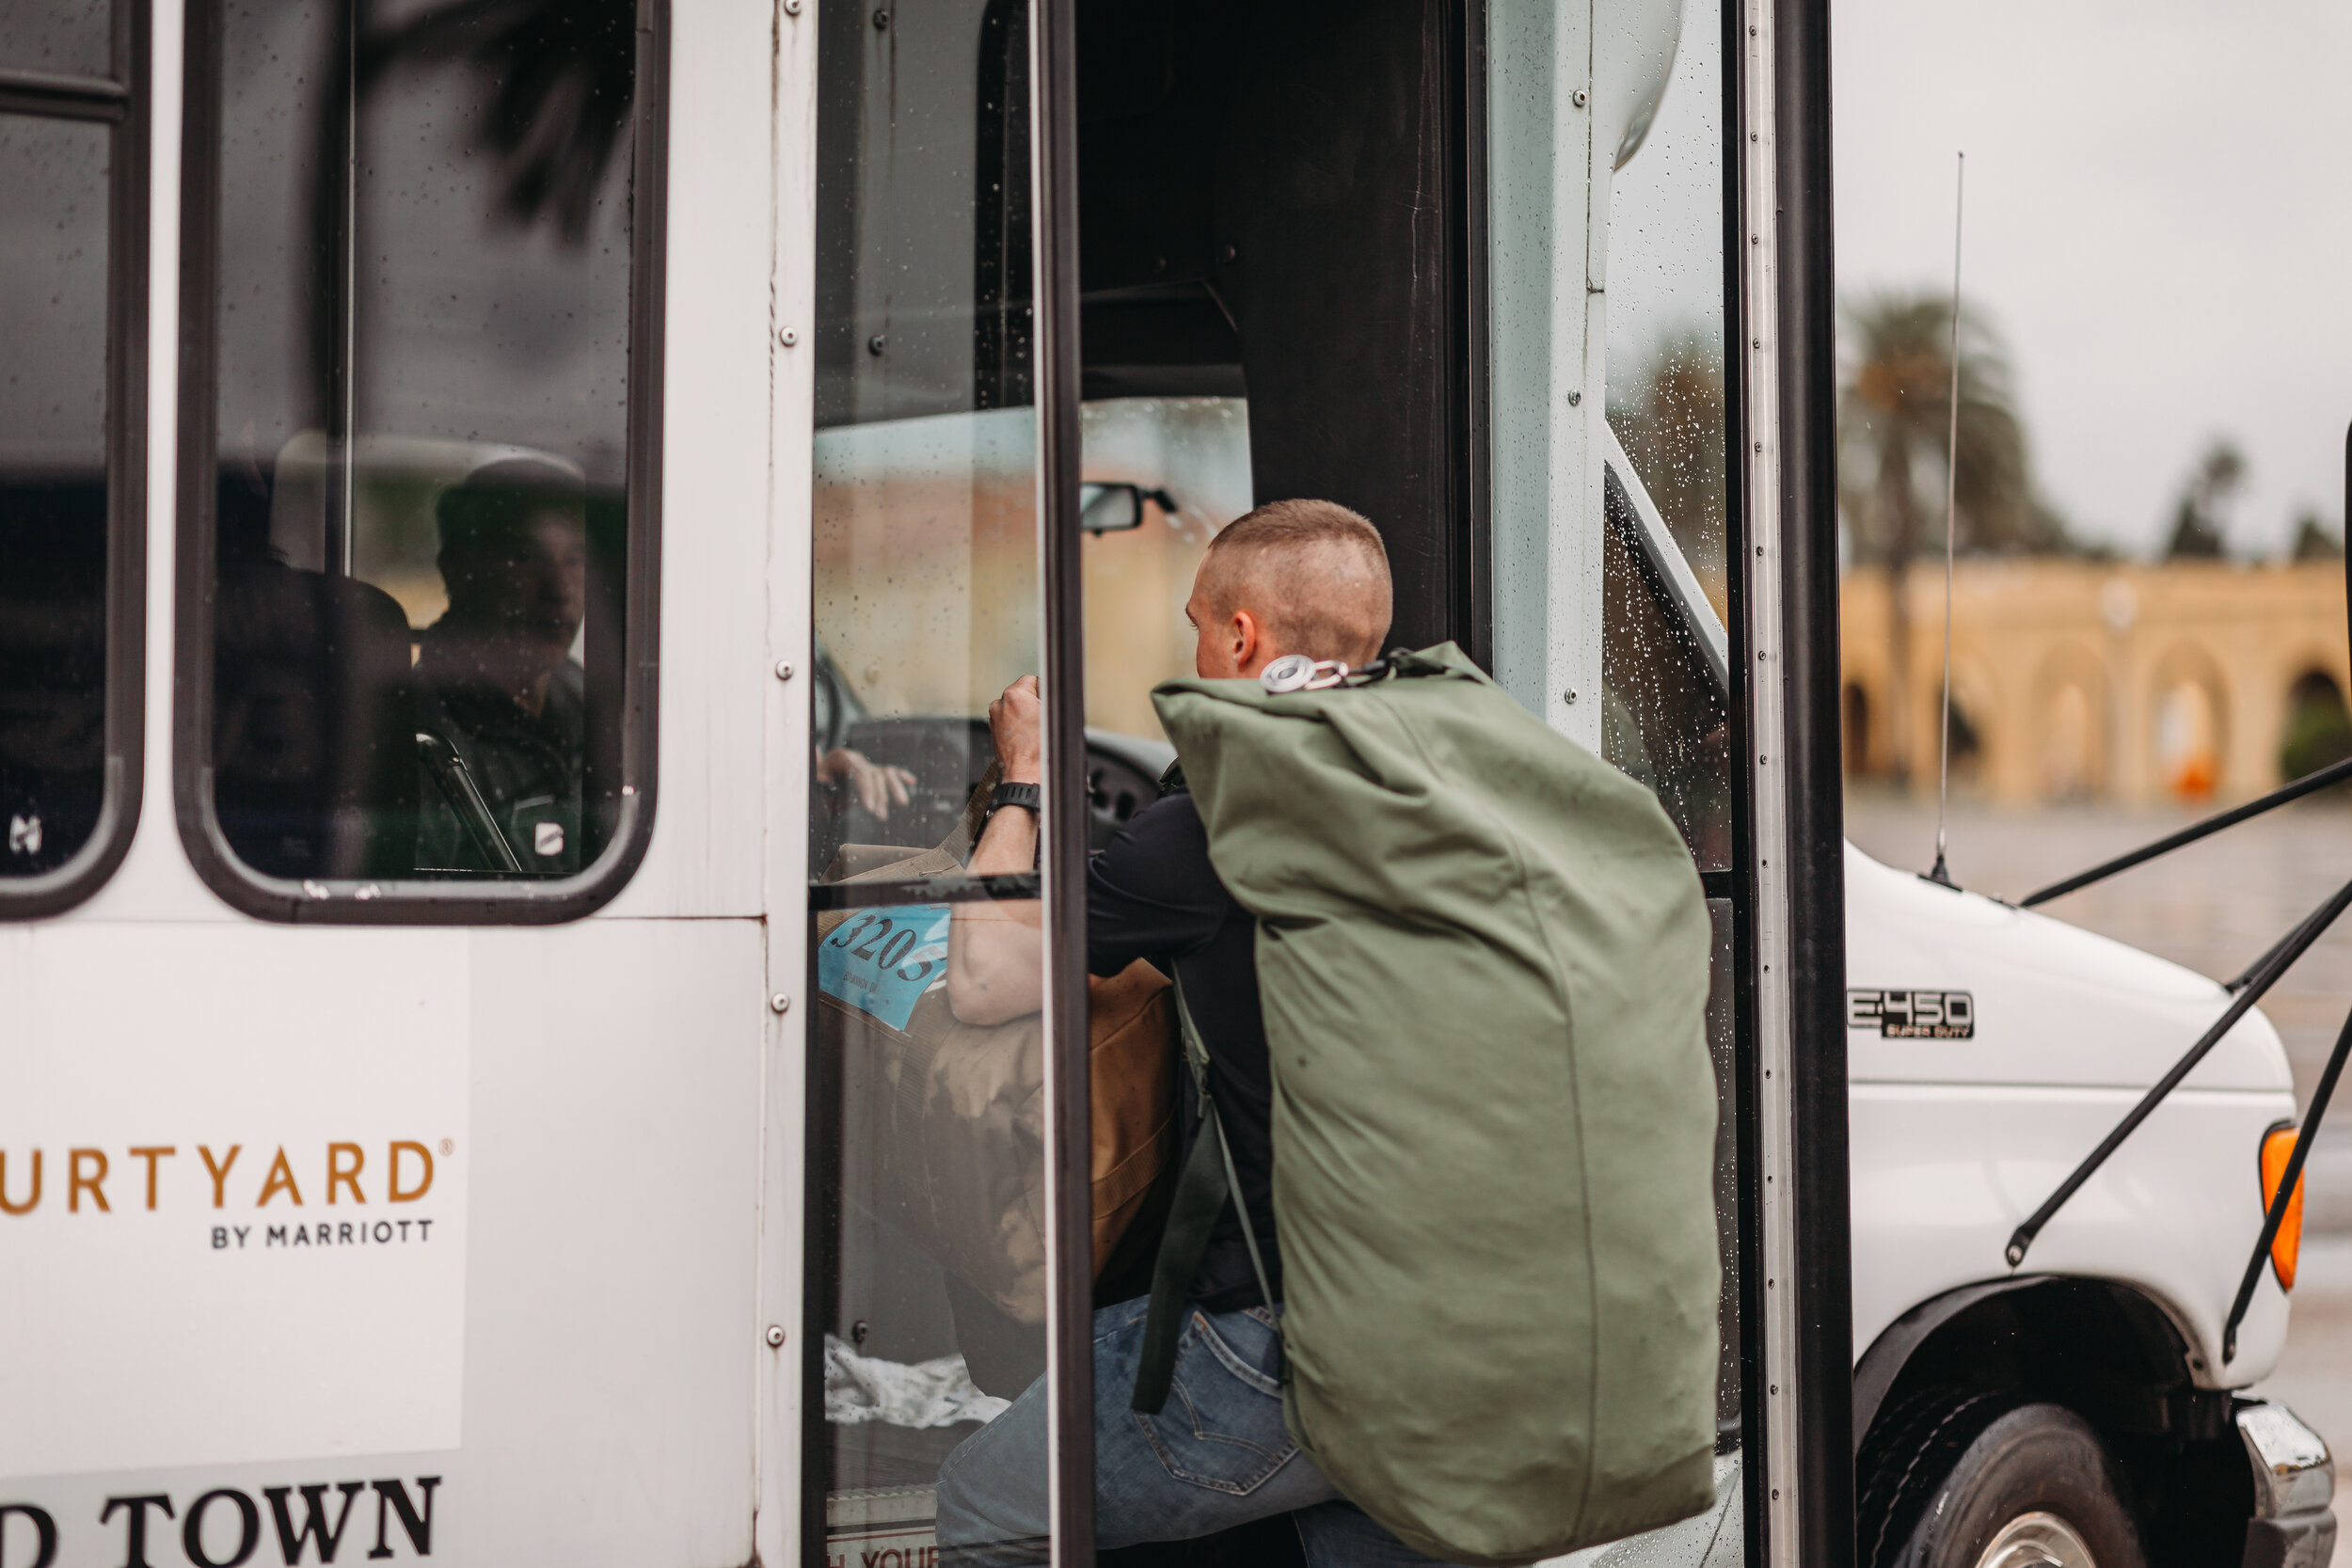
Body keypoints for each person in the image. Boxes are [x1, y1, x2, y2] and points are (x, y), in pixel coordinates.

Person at [935, 500, 1454, 1567]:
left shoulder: (1226, 811)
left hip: (1291, 1345)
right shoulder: (1449, 772)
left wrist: (1025, 773)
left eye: (1197, 624)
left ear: (1244, 638)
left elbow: (983, 974)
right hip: (1467, 1338)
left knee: (982, 1506)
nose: (1193, 649)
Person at [413, 459, 592, 873]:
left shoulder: (584, 695)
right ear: (458, 571)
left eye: (575, 560)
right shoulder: (422, 735)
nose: (559, 591)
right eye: (526, 557)